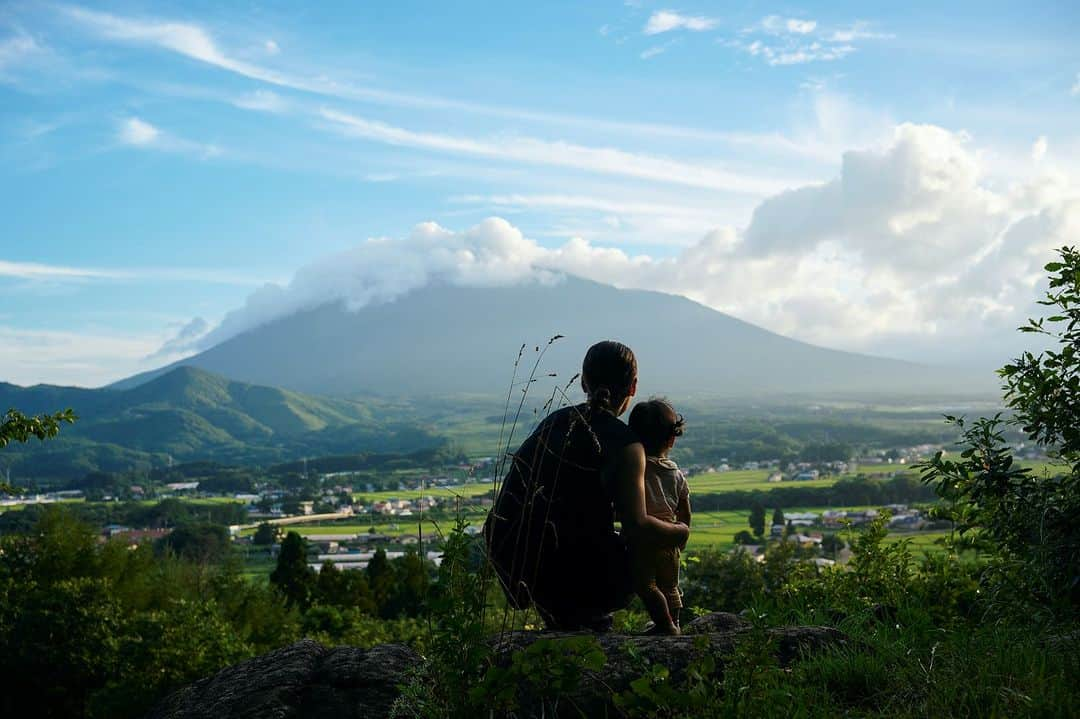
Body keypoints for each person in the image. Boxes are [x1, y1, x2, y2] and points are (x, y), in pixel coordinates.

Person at [484, 340, 690, 631]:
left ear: (583, 381)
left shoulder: (553, 423)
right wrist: (679, 532)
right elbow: (638, 527)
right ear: (632, 387)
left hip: (534, 577)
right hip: (595, 580)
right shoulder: (626, 444)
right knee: (641, 549)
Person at [627, 398, 691, 634]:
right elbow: (685, 509)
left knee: (646, 585)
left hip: (644, 541)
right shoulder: (675, 473)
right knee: (670, 585)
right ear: (671, 439)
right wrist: (681, 536)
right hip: (670, 538)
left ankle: (664, 625)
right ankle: (674, 622)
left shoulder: (637, 469)